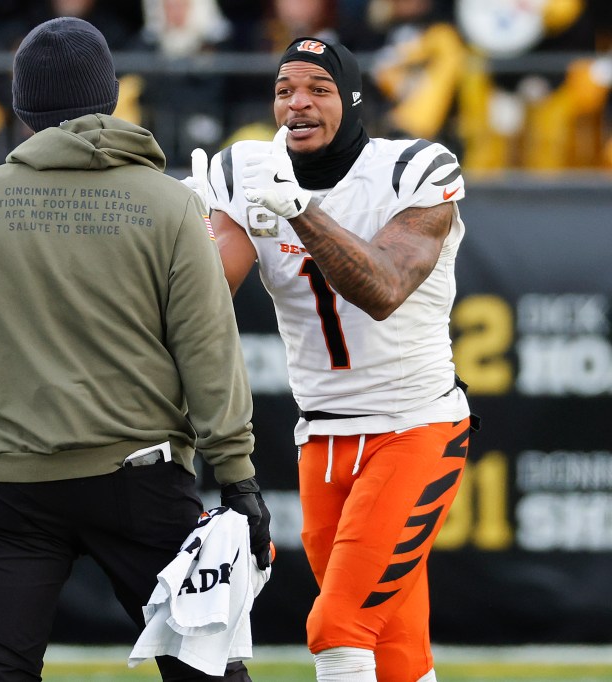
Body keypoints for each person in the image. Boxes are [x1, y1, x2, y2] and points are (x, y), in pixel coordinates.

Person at [0, 16, 272, 682]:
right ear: (110, 96)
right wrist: (239, 477)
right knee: (207, 672)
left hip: (6, 483)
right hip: (140, 477)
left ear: (20, 106)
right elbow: (209, 351)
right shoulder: (167, 206)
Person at [202, 37, 476, 682]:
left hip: (415, 427)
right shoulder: (248, 172)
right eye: (284, 90)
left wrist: (299, 210)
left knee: (339, 630)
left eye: (318, 89)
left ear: (352, 100)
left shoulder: (414, 167)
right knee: (395, 651)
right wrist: (174, 230)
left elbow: (382, 289)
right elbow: (203, 297)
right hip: (321, 437)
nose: (297, 104)